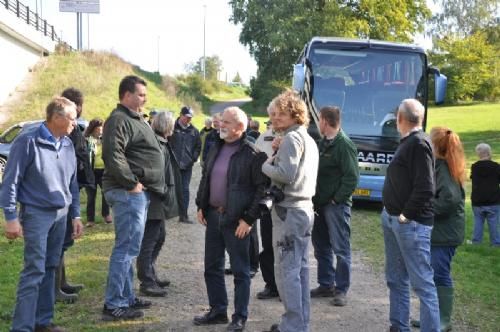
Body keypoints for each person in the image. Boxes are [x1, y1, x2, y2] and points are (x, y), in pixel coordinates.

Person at [0, 97, 83, 332]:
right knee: (34, 269)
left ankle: (42, 322)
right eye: (72, 118)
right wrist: (11, 216)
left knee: (51, 266)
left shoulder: (67, 144)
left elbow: (72, 184)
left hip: (62, 213)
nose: (75, 124)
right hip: (36, 214)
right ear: (56, 117)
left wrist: (75, 215)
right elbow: (10, 180)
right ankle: (22, 327)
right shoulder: (27, 141)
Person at [193, 107, 268, 332]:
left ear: (240, 127)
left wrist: (249, 219)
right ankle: (217, 311)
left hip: (237, 222)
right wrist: (201, 205)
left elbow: (262, 191)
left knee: (240, 271)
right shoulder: (216, 146)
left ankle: (240, 317)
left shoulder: (254, 154)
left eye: (225, 122)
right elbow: (206, 177)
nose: (220, 124)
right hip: (213, 216)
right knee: (212, 267)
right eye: (220, 121)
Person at [101, 75, 165, 321]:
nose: (144, 98)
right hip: (127, 192)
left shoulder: (134, 118)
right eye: (140, 94)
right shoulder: (119, 119)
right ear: (126, 95)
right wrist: (131, 183)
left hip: (135, 193)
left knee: (131, 248)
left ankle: (126, 297)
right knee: (126, 249)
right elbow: (112, 154)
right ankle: (114, 304)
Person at [261, 90, 319, 332]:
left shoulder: (293, 139)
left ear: (295, 114)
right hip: (303, 210)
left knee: (287, 272)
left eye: (281, 114)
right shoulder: (307, 138)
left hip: (290, 211)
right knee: (300, 270)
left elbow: (286, 175)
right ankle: (299, 323)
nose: (275, 119)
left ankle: (293, 325)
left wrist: (265, 164)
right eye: (274, 114)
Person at [381, 98, 439, 332]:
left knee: (423, 284)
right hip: (394, 219)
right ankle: (399, 325)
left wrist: (405, 215)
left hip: (411, 224)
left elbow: (426, 187)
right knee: (396, 278)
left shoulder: (418, 143)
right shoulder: (408, 142)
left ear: (400, 118)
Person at [410, 127, 466, 331]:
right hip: (441, 232)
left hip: (445, 235)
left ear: (436, 145)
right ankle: (431, 317)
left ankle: (443, 320)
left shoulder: (443, 167)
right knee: (431, 274)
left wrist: (424, 209)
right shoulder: (441, 165)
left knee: (439, 274)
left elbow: (449, 199)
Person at [311, 106, 359, 307]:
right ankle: (326, 284)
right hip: (319, 204)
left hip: (335, 206)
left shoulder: (344, 145)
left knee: (340, 248)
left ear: (324, 120)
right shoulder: (322, 143)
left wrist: (336, 199)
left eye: (319, 120)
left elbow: (352, 177)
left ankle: (341, 289)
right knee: (321, 245)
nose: (317, 124)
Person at [137, 111, 183, 297]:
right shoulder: (156, 144)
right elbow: (154, 173)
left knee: (160, 236)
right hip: (155, 200)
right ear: (168, 126)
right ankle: (146, 280)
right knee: (149, 241)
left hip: (159, 200)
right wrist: (162, 191)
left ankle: (151, 273)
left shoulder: (161, 142)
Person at [55, 87, 94, 303]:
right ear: (77, 106)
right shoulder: (70, 130)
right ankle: (56, 289)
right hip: (65, 193)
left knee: (63, 241)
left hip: (72, 189)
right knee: (59, 242)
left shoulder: (74, 129)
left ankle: (62, 283)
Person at [254, 108, 279, 300]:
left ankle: (285, 288)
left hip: (287, 201)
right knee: (268, 242)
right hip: (267, 197)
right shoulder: (263, 138)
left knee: (286, 247)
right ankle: (271, 284)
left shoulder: (295, 138)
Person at [170, 106, 202, 224]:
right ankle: (167, 213)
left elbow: (198, 147)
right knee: (169, 188)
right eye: (186, 117)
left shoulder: (194, 131)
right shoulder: (171, 127)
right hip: (172, 165)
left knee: (184, 190)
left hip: (187, 166)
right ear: (181, 115)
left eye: (190, 118)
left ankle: (183, 215)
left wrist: (193, 159)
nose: (188, 120)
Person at [470, 143, 500, 246]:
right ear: (489, 152)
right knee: (494, 223)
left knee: (478, 222)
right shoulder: (496, 166)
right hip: (493, 200)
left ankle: (476, 241)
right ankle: (495, 242)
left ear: (478, 154)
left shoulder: (474, 167)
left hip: (478, 200)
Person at [84, 118, 112, 227]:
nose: (100, 131)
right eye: (98, 129)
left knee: (106, 193)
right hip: (91, 172)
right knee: (91, 196)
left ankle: (106, 214)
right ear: (92, 129)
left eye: (101, 129)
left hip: (104, 171)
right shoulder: (87, 140)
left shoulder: (106, 139)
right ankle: (90, 219)